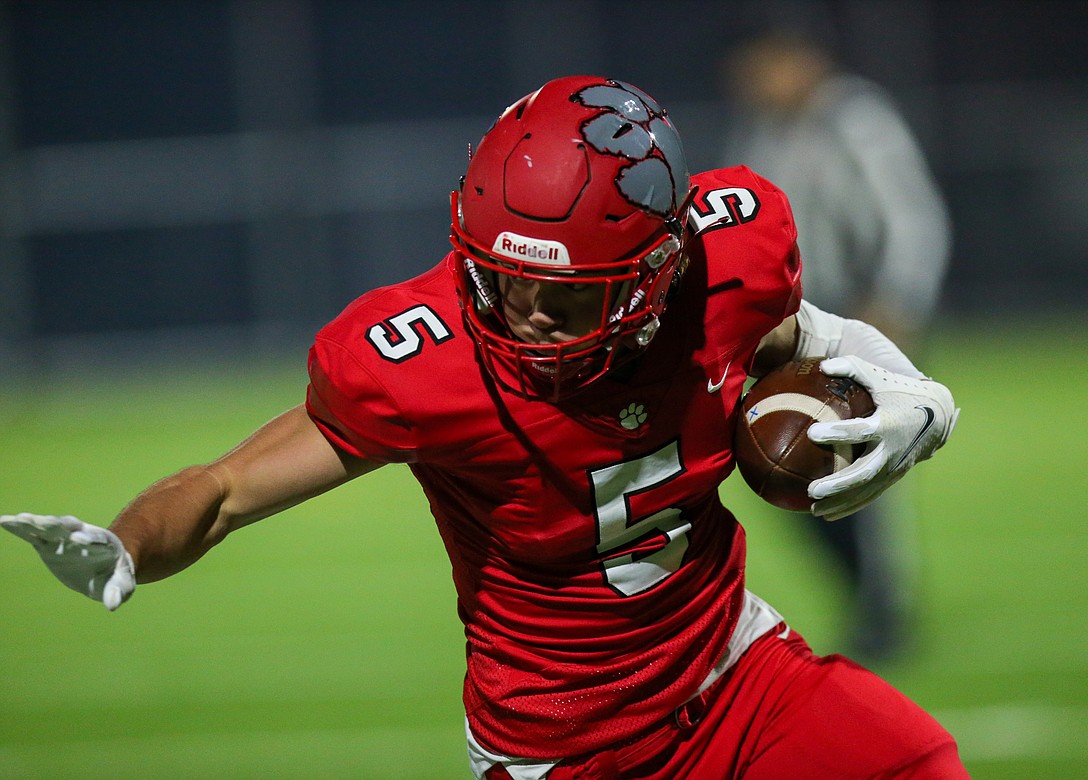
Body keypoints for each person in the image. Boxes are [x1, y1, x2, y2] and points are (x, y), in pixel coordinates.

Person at [2, 76, 966, 779]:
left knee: (919, 763)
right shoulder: (422, 366)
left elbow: (811, 335)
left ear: (658, 273)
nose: (523, 313)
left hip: (732, 668)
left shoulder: (725, 265)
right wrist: (128, 541)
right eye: (501, 278)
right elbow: (222, 491)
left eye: (560, 293)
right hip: (565, 746)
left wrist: (919, 398)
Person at [724, 32, 953, 661]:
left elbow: (913, 215)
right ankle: (869, 598)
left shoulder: (856, 119)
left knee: (863, 461)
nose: (756, 82)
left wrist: (899, 300)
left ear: (801, 58)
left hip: (860, 315)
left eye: (764, 65)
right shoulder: (767, 132)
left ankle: (884, 608)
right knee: (782, 460)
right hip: (792, 329)